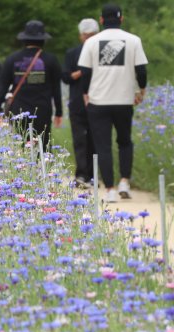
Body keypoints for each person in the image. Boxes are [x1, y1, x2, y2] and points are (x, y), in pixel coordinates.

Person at [78, 3, 148, 203]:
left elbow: (85, 72)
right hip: (124, 100)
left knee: (103, 145)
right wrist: (140, 90)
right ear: (121, 19)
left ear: (101, 21)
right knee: (125, 141)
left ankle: (109, 189)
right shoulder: (133, 40)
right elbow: (141, 70)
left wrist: (85, 93)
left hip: (98, 100)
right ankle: (124, 181)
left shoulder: (92, 42)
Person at [0, 20, 63, 152]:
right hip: (42, 110)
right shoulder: (50, 60)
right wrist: (59, 112)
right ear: (43, 40)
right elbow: (56, 88)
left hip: (18, 111)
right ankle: (44, 171)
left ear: (24, 40)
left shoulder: (12, 59)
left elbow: (2, 86)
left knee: (21, 146)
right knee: (43, 145)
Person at [63, 18, 99, 187]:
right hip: (77, 102)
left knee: (95, 140)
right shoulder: (73, 53)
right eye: (85, 36)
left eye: (91, 36)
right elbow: (65, 77)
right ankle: (81, 175)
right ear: (80, 37)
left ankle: (93, 175)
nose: (88, 39)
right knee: (79, 140)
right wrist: (81, 72)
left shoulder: (101, 52)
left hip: (96, 101)